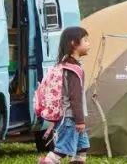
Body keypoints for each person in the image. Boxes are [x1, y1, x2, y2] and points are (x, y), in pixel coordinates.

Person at [39, 26, 91, 164]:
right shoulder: (73, 70)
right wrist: (80, 120)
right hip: (70, 118)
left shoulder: (64, 65)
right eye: (85, 40)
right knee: (62, 150)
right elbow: (75, 98)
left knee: (82, 148)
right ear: (74, 43)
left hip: (69, 117)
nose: (88, 44)